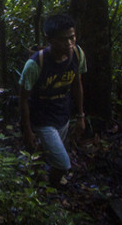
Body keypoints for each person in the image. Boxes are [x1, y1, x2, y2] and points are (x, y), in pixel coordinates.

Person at [19, 14, 86, 185]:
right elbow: (24, 98)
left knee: (45, 149)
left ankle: (32, 172)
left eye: (72, 37)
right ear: (49, 39)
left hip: (62, 114)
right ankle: (52, 186)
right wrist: (28, 130)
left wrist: (80, 116)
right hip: (41, 118)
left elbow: (77, 85)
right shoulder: (35, 64)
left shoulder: (77, 54)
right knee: (63, 164)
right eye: (63, 40)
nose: (69, 43)